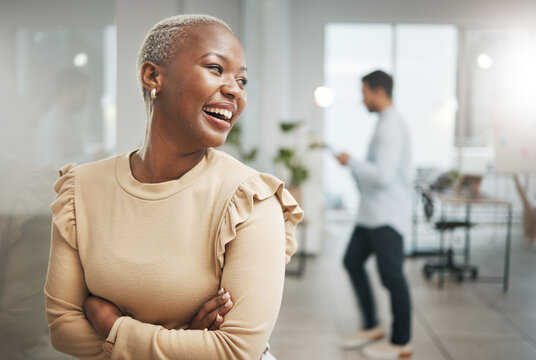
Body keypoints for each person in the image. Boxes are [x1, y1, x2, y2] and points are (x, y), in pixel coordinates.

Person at [44, 14, 303, 360]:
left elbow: (236, 351)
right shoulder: (82, 189)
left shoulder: (250, 199)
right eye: (215, 68)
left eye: (241, 80)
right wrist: (186, 339)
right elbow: (63, 329)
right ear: (153, 76)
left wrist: (113, 327)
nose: (234, 89)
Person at [335, 70, 413, 359]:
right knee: (352, 260)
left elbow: (382, 175)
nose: (362, 99)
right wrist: (353, 166)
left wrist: (351, 162)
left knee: (392, 276)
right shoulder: (383, 124)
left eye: (364, 92)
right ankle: (372, 326)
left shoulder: (392, 126)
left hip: (387, 216)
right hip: (371, 214)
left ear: (378, 91)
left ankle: (401, 341)